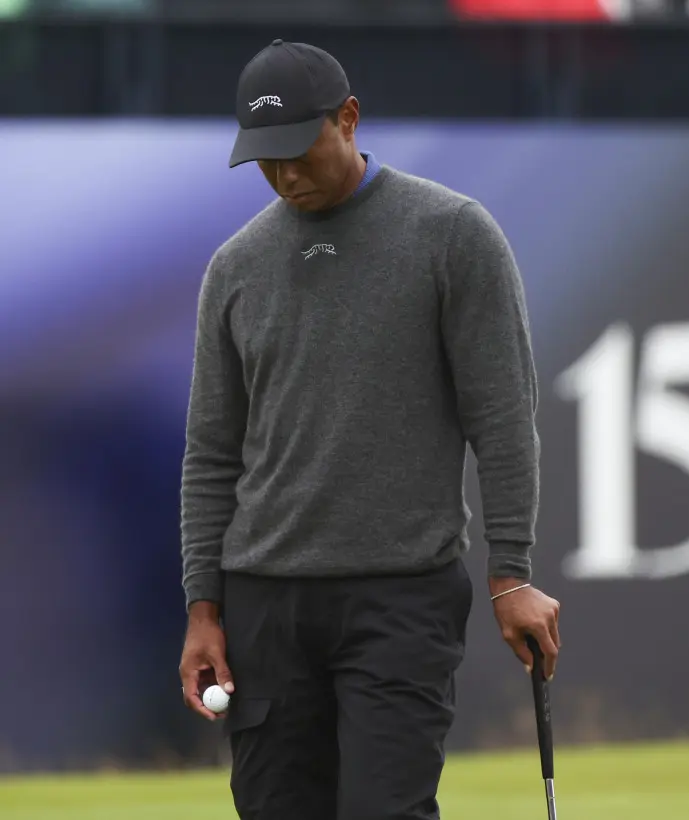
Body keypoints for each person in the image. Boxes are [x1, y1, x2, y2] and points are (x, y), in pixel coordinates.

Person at [177, 39, 561, 820]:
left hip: (401, 596)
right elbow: (214, 455)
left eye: (297, 150)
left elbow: (502, 418)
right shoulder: (235, 268)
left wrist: (511, 573)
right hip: (265, 605)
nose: (285, 175)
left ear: (347, 119)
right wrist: (204, 609)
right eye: (264, 159)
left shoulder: (452, 234)